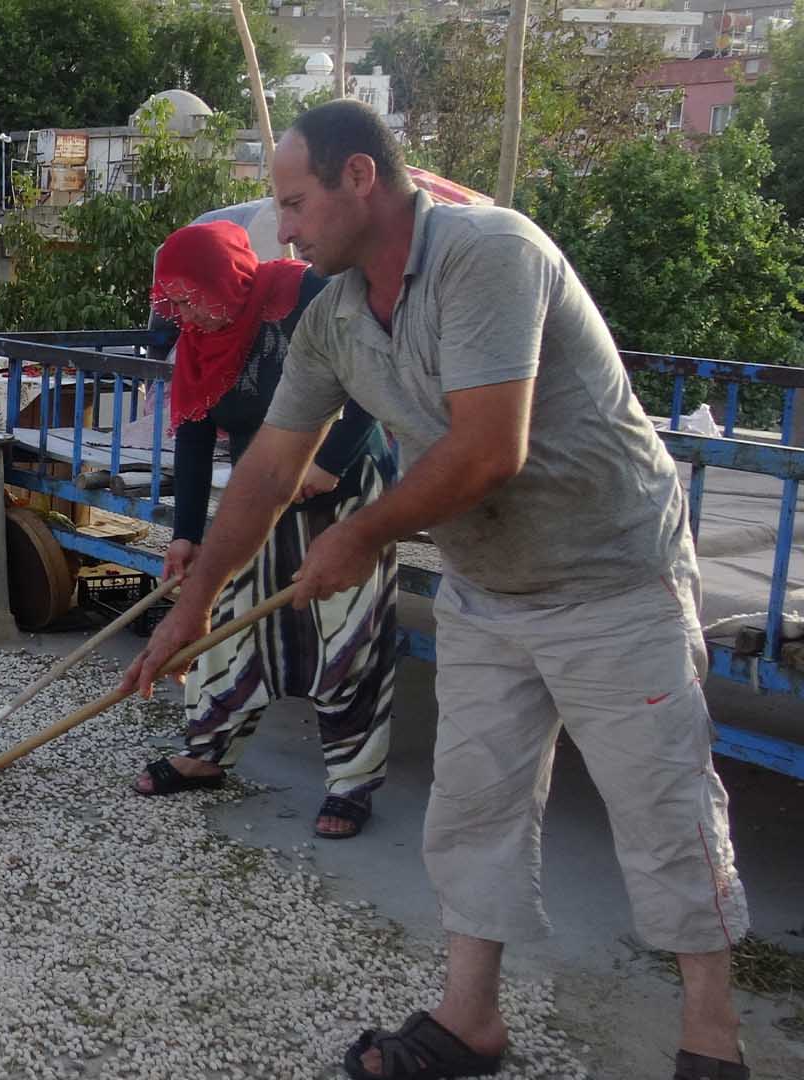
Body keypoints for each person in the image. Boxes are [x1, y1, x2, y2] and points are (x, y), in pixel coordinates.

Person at [121, 99, 750, 1080]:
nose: (282, 228)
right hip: (487, 582)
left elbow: (489, 447)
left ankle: (712, 1042)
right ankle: (470, 1021)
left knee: (662, 809)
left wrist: (363, 531)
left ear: (360, 178)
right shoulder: (331, 315)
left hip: (611, 574)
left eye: (295, 203)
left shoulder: (490, 253)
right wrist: (195, 603)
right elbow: (268, 468)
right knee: (472, 806)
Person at [136, 221, 400, 842]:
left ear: (223, 276)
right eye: (170, 299)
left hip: (345, 483)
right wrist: (187, 533)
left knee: (347, 630)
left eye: (187, 294)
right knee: (227, 615)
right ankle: (207, 751)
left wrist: (329, 462)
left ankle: (352, 781)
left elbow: (372, 386)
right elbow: (197, 436)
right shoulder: (197, 340)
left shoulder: (305, 297)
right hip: (261, 491)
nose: (181, 311)